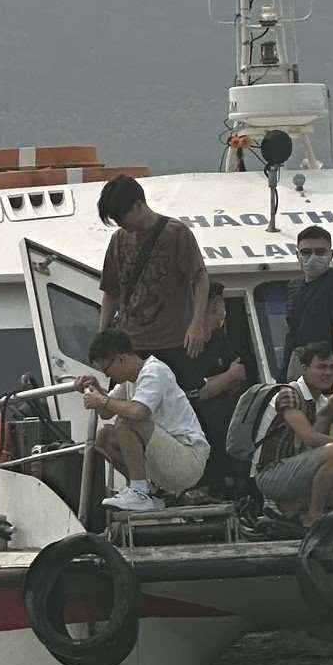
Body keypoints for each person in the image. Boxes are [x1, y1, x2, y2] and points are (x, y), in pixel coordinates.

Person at [80, 329, 210, 514]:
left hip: (188, 460)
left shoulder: (154, 371)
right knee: (104, 437)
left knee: (126, 421)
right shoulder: (129, 382)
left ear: (120, 359)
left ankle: (139, 492)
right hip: (166, 461)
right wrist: (95, 389)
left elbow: (138, 412)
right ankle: (150, 493)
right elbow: (106, 413)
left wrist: (102, 400)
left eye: (107, 370)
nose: (108, 376)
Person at [97, 176, 209, 372]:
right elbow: (111, 292)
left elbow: (200, 278)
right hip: (130, 347)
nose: (120, 223)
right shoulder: (118, 239)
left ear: (139, 205)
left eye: (122, 217)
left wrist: (197, 324)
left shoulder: (176, 233)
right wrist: (102, 336)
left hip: (173, 344)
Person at [254, 342, 333, 527]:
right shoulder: (289, 393)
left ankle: (296, 505)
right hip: (271, 473)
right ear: (305, 369)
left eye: (332, 367)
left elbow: (331, 405)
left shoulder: (317, 400)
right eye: (321, 367)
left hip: (295, 471)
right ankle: (314, 518)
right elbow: (309, 437)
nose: (328, 373)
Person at [171, 281, 250, 500]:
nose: (222, 311)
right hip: (193, 420)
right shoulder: (183, 346)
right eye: (220, 304)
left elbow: (239, 375)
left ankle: (234, 485)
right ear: (214, 306)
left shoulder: (220, 340)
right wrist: (226, 378)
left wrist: (216, 382)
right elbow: (195, 393)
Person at [281, 225, 333, 379]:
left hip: (326, 365)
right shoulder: (293, 286)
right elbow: (292, 332)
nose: (313, 257)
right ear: (297, 255)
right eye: (306, 252)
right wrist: (283, 374)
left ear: (331, 254)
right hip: (299, 363)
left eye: (320, 252)